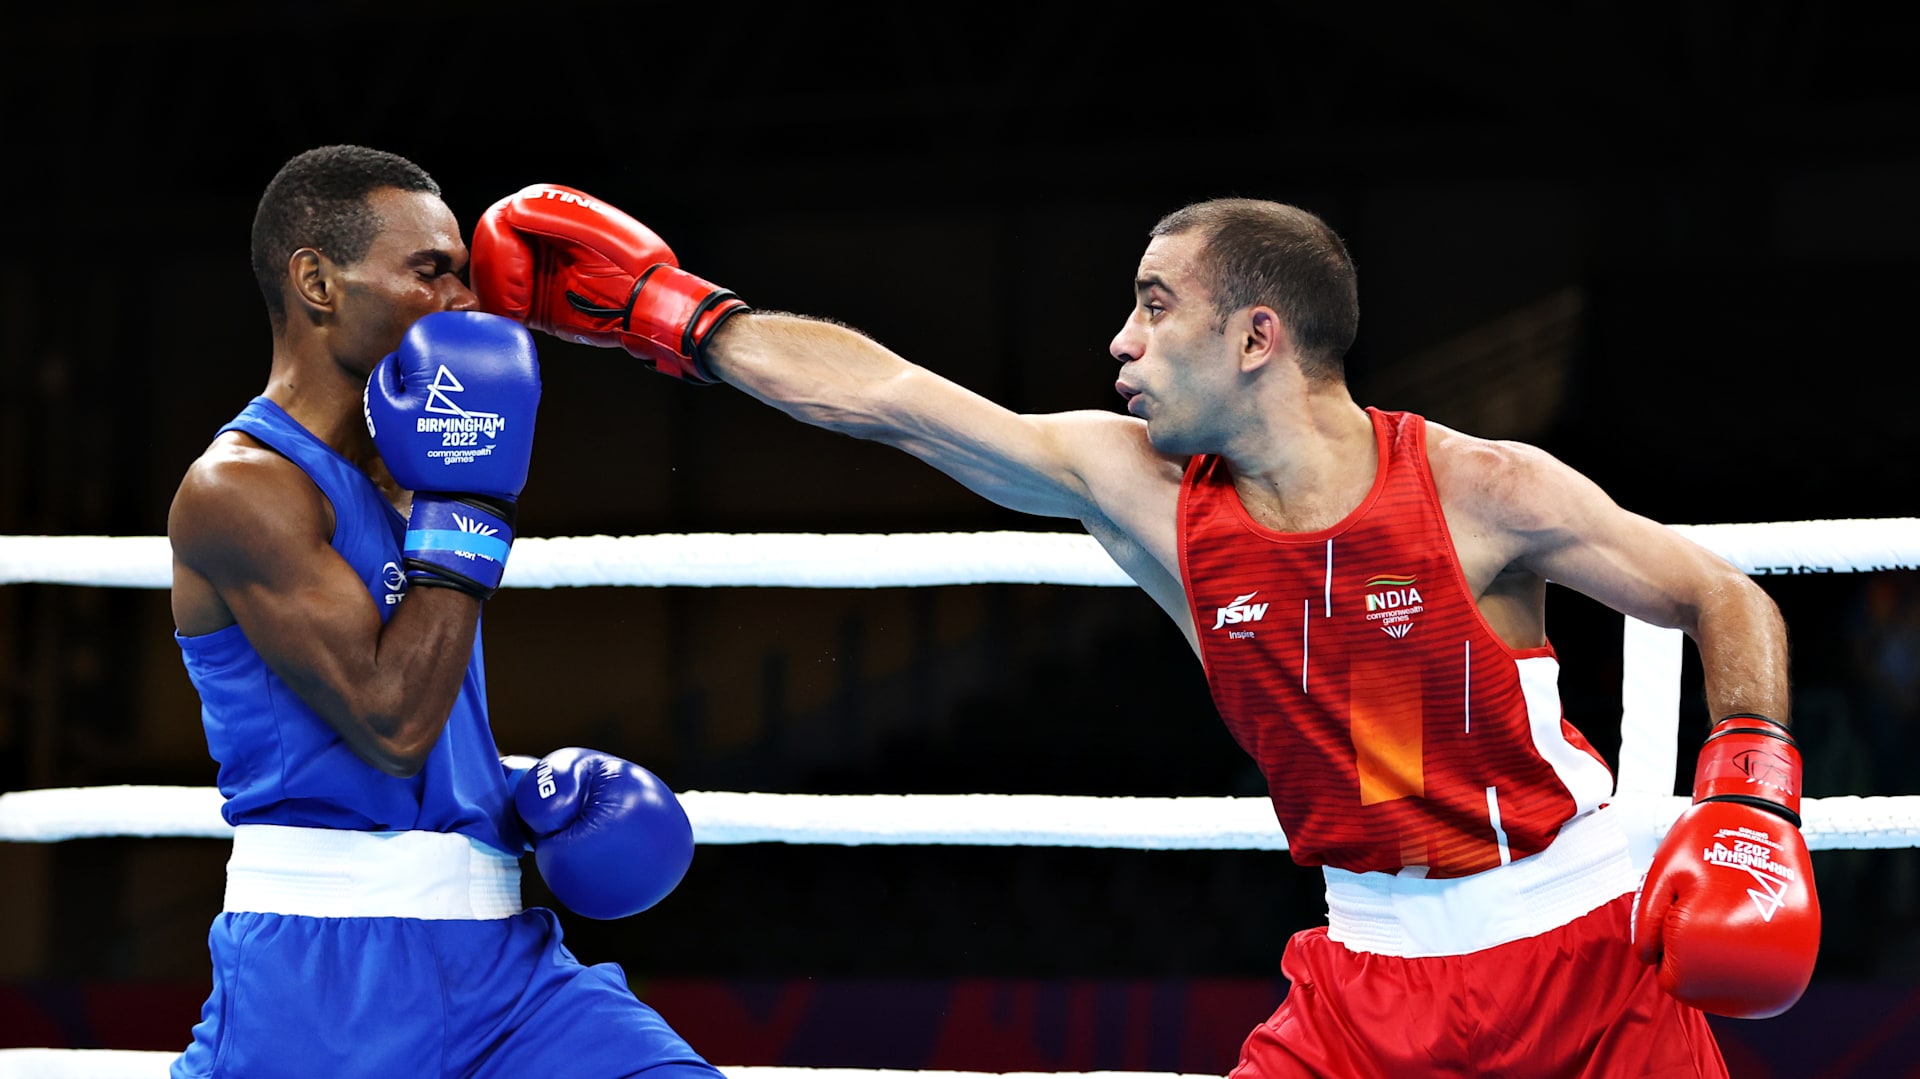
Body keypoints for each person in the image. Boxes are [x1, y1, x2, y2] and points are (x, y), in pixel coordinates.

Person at [469, 186, 1823, 1076]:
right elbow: (891, 395)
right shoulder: (1148, 496)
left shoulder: (1482, 490)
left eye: (1153, 304)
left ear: (1256, 335)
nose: (1118, 340)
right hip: (1362, 975)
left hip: (1581, 955)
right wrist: (681, 315)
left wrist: (1752, 797)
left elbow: (1728, 598)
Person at [165, 149, 714, 1079]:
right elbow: (389, 724)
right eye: (431, 271)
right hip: (326, 980)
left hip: (507, 967)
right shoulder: (241, 489)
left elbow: (421, 732)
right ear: (317, 282)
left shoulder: (413, 473)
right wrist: (471, 506)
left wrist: (515, 787)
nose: (468, 297)